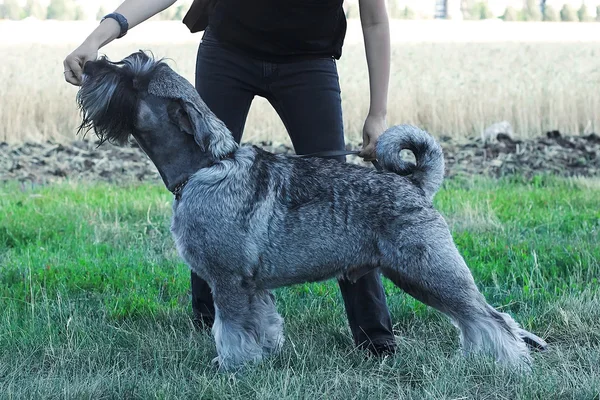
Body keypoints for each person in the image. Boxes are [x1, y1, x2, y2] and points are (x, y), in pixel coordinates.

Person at [64, 0, 396, 357]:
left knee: (342, 197)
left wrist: (378, 113)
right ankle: (211, 325)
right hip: (228, 54)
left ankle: (373, 336)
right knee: (200, 183)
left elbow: (375, 20)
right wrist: (98, 36)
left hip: (308, 63)